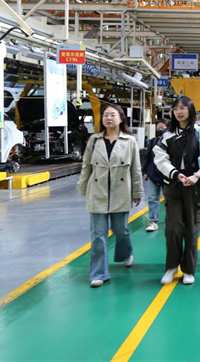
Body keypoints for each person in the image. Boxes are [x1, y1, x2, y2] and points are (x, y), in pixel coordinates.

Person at [77, 104, 144, 288]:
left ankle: (125, 253)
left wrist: (137, 192)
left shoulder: (129, 141)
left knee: (121, 230)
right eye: (105, 115)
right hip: (97, 192)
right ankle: (99, 273)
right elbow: (86, 166)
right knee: (98, 235)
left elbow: (136, 169)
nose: (108, 118)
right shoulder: (94, 140)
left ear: (121, 119)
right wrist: (83, 187)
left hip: (120, 192)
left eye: (113, 115)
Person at [155, 97, 200, 285]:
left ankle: (189, 270)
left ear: (190, 110)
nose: (179, 112)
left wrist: (197, 175)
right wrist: (176, 174)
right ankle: (172, 267)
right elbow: (160, 159)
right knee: (173, 228)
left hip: (195, 187)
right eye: (175, 109)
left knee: (191, 229)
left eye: (182, 108)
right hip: (173, 186)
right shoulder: (167, 135)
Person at [141, 119, 169, 232]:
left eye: (163, 128)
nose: (160, 130)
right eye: (158, 128)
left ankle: (170, 219)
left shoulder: (171, 141)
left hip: (167, 175)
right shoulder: (152, 142)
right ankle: (153, 221)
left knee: (169, 199)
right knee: (152, 198)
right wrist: (145, 172)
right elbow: (147, 157)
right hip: (153, 174)